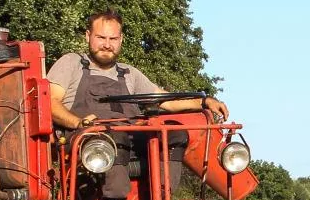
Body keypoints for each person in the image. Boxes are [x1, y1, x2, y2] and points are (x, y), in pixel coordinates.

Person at [46, 9, 225, 130]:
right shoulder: (71, 63)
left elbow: (167, 101)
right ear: (88, 36)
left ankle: (163, 187)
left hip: (129, 137)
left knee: (175, 136)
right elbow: (50, 103)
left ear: (121, 39)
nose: (107, 45)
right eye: (101, 38)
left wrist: (204, 102)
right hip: (90, 142)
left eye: (113, 39)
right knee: (117, 143)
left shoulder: (129, 73)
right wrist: (79, 123)